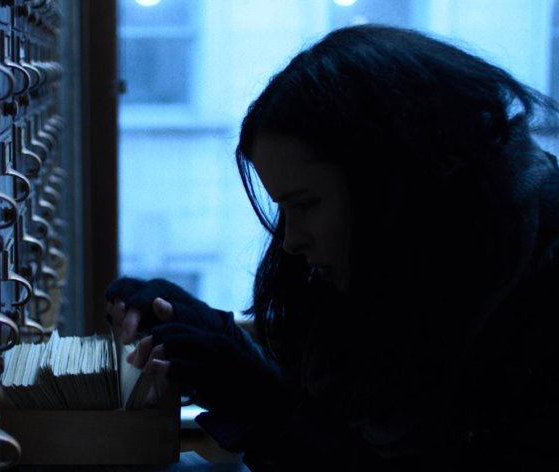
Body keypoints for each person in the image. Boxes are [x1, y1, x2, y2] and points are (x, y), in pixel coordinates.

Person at [105, 24, 559, 470]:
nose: (291, 242)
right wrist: (212, 337)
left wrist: (254, 400)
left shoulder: (540, 295)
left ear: (393, 185)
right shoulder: (442, 271)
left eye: (306, 204)